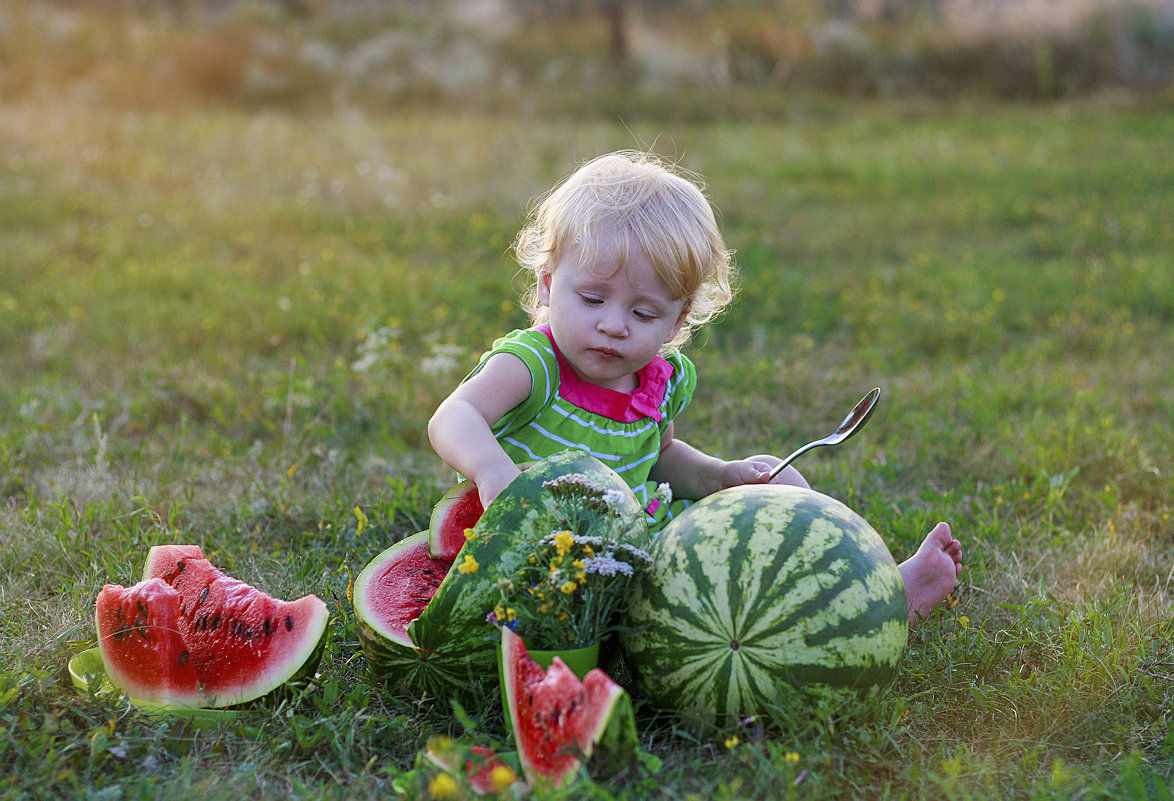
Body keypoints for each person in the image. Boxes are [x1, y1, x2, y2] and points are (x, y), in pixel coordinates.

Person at [428, 151, 961, 625]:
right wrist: (493, 471)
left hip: (635, 546)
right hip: (531, 554)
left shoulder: (662, 382)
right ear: (548, 283)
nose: (614, 325)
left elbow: (658, 459)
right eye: (592, 300)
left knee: (782, 477)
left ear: (678, 321)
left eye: (643, 312)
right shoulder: (534, 363)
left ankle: (880, 587)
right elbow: (452, 417)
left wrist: (718, 475)